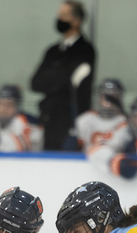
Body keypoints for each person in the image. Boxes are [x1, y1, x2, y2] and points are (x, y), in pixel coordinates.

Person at [30, 1, 95, 151]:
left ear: (77, 21)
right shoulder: (52, 50)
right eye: (59, 15)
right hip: (48, 118)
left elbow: (75, 84)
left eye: (64, 15)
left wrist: (53, 78)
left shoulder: (85, 50)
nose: (59, 19)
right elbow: (36, 83)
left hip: (71, 121)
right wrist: (61, 78)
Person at [71, 78, 127, 152]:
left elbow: (119, 147)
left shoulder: (125, 122)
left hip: (115, 162)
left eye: (113, 97)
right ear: (100, 98)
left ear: (119, 99)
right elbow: (73, 147)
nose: (109, 103)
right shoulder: (85, 119)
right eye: (106, 97)